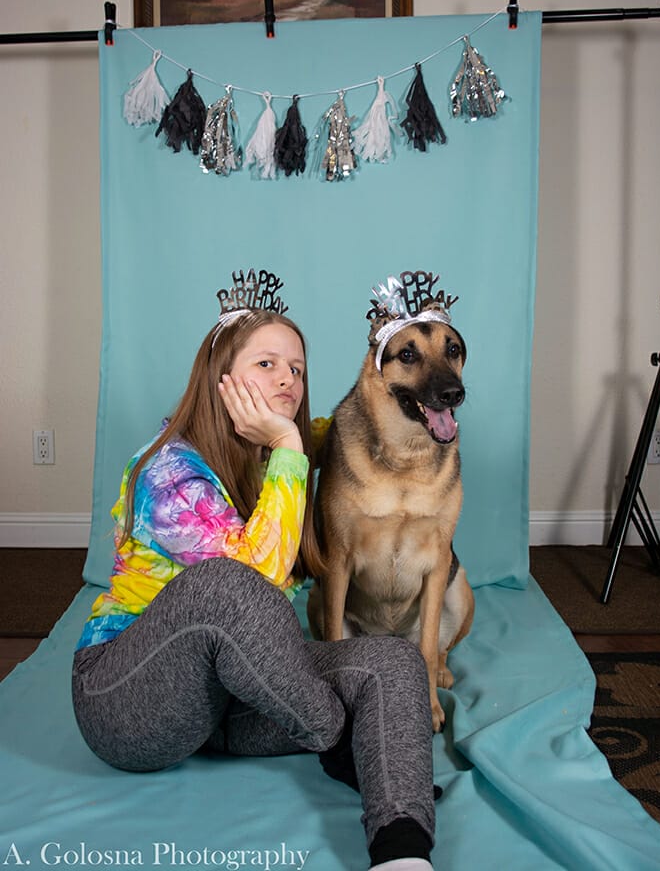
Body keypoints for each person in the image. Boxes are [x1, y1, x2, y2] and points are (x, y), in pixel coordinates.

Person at [72, 274, 436, 871]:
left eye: (296, 367)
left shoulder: (273, 451)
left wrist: (404, 375)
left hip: (235, 698)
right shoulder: (167, 471)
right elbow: (254, 580)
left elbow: (353, 421)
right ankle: (340, 737)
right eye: (266, 363)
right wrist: (290, 446)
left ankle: (402, 850)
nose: (288, 379)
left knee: (392, 662)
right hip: (126, 699)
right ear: (221, 378)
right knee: (225, 584)